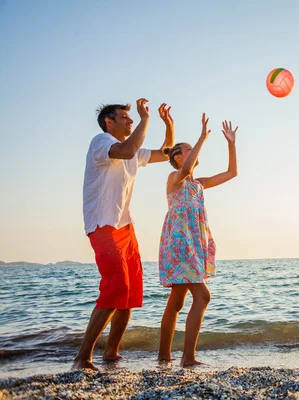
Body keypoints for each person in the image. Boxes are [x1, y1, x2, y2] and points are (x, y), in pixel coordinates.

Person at [72, 100, 174, 370]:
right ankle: (82, 358)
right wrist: (145, 119)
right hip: (102, 224)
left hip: (125, 226)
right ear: (109, 121)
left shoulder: (133, 151)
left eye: (132, 118)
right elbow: (128, 150)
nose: (130, 121)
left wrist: (169, 125)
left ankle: (111, 352)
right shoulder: (101, 141)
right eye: (124, 118)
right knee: (114, 287)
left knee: (129, 292)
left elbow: (166, 154)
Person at [157, 113, 238, 367]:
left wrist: (231, 143)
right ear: (178, 157)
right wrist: (202, 136)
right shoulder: (174, 180)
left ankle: (163, 357)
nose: (194, 151)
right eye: (189, 149)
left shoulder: (199, 184)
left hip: (193, 243)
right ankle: (188, 358)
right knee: (202, 296)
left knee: (177, 301)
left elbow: (232, 173)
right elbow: (187, 169)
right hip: (180, 243)